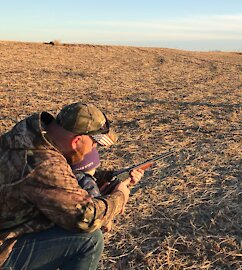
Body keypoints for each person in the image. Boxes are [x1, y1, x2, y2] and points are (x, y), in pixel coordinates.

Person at [0, 102, 144, 269]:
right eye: (94, 143)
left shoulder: (30, 133)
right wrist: (120, 196)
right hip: (4, 250)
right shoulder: (44, 164)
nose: (94, 149)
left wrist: (111, 177)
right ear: (76, 141)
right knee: (90, 240)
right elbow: (87, 218)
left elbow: (60, 177)